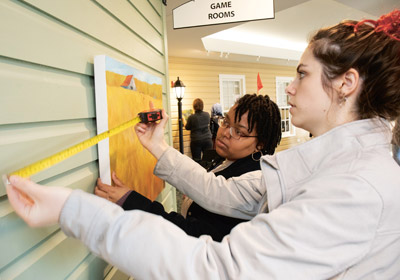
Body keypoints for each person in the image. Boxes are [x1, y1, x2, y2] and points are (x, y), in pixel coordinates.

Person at [5, 10, 400, 279]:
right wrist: (160, 148)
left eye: (302, 74)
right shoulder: (342, 166)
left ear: (345, 83)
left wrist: (73, 210)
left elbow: (218, 268)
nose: (292, 88)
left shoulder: (355, 186)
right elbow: (224, 194)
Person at [94, 94, 282, 241]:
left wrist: (132, 202)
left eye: (239, 131)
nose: (224, 133)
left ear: (260, 144)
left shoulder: (259, 180)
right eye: (225, 122)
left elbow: (193, 229)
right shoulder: (229, 159)